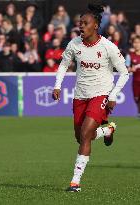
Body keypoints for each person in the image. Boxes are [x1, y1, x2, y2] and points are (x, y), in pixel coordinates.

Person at [52, 4, 129, 192]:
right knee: (81, 137)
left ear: (95, 25)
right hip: (80, 95)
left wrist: (112, 95)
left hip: (101, 94)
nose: (81, 26)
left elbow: (125, 73)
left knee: (86, 134)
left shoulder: (108, 47)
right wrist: (57, 85)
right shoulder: (74, 44)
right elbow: (63, 65)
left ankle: (75, 182)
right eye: (80, 23)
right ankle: (108, 131)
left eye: (85, 23)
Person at [128, 36, 140, 118]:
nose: (136, 44)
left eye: (138, 42)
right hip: (135, 81)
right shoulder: (130, 56)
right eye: (135, 42)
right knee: (136, 98)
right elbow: (127, 68)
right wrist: (130, 69)